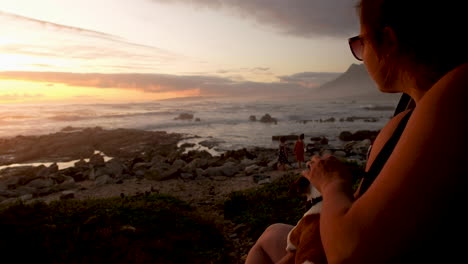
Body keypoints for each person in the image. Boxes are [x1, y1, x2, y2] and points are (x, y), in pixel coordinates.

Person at [245, 0, 467, 263]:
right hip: (337, 239)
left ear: (387, 40)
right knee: (272, 234)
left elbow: (348, 251)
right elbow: (357, 208)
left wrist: (331, 183)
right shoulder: (403, 121)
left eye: (359, 43)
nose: (360, 57)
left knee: (268, 241)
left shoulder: (455, 97)